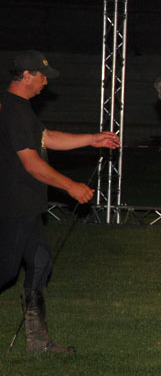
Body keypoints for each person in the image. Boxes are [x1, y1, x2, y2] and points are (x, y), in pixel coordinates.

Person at [0, 50, 120, 353]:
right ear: (27, 76)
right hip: (12, 207)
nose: (45, 82)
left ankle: (38, 342)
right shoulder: (12, 111)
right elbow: (30, 162)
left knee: (40, 263)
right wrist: (70, 186)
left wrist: (92, 139)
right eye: (42, 76)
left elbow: (47, 137)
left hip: (28, 207)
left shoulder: (22, 109)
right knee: (5, 272)